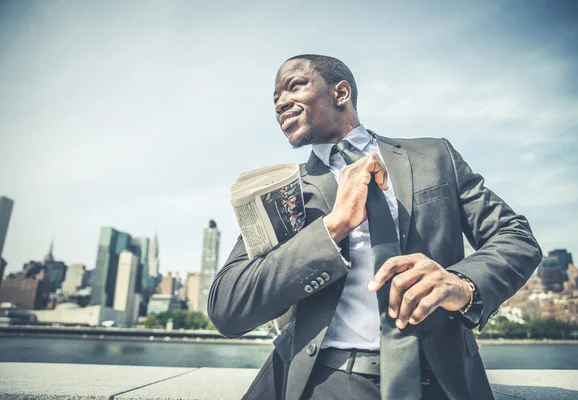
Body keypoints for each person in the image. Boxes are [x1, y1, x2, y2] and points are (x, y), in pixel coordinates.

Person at [208, 54, 542, 400]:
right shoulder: (284, 193)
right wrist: (333, 226)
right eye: (275, 97)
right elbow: (227, 307)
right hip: (322, 383)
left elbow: (516, 237)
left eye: (294, 86)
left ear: (341, 93)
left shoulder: (433, 156)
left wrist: (463, 284)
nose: (281, 102)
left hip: (442, 381)